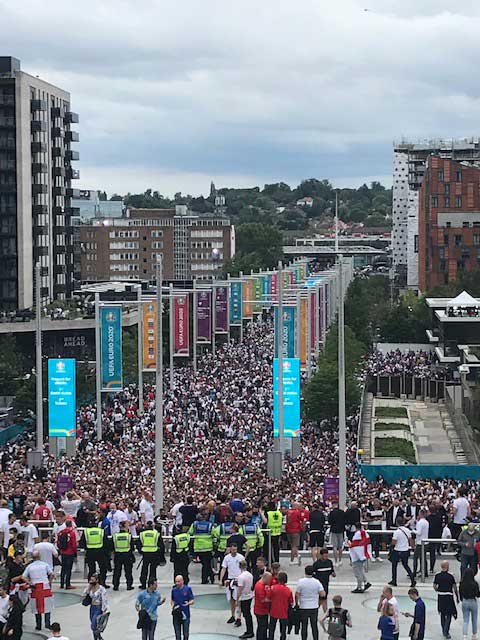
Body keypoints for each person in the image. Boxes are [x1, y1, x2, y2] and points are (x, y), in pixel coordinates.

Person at [21, 550, 54, 631]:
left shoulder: (30, 567)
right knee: (47, 605)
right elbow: (52, 574)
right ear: (39, 556)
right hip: (45, 586)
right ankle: (47, 623)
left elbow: (23, 577)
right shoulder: (45, 565)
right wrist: (49, 582)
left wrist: (29, 582)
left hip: (35, 587)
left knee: (36, 606)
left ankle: (38, 624)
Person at [295, 565, 325, 640]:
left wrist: (297, 603)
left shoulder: (301, 581)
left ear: (305, 572)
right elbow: (323, 594)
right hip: (314, 606)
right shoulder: (317, 582)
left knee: (304, 626)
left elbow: (297, 594)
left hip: (303, 606)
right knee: (314, 625)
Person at [220, 543, 245, 627]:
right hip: (230, 579)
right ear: (230, 549)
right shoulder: (227, 558)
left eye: (236, 549)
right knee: (231, 599)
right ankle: (233, 615)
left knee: (238, 600)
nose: (234, 551)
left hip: (239, 579)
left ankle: (239, 618)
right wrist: (221, 580)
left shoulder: (241, 557)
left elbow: (244, 568)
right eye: (233, 549)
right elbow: (223, 569)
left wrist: (242, 578)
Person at [433, 560, 458, 639]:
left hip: (441, 596)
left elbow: (434, 585)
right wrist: (457, 596)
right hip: (449, 596)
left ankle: (444, 629)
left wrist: (437, 590)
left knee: (442, 614)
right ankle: (446, 630)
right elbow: (454, 587)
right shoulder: (451, 576)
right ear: (447, 566)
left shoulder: (438, 575)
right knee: (449, 614)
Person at [188, 514, 215, 585]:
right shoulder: (209, 525)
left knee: (205, 564)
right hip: (207, 547)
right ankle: (206, 578)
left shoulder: (194, 524)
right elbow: (214, 534)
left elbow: (190, 533)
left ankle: (210, 577)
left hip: (198, 548)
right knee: (206, 564)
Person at [389, 516, 415, 587]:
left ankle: (394, 580)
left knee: (394, 565)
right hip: (405, 550)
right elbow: (410, 540)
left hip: (397, 550)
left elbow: (394, 542)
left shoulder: (397, 532)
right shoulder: (407, 530)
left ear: (397, 523)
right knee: (405, 565)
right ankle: (412, 579)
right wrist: (413, 547)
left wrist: (390, 546)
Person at [82, 522, 108, 587]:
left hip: (90, 552)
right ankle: (102, 583)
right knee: (102, 569)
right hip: (100, 552)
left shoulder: (86, 531)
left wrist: (87, 548)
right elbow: (106, 542)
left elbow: (82, 542)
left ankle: (92, 583)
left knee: (91, 569)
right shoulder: (101, 531)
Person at [138, 522, 163, 590]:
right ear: (152, 526)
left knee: (144, 569)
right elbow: (161, 545)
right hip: (154, 553)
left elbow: (139, 544)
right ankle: (152, 584)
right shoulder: (156, 534)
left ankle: (143, 584)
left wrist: (141, 552)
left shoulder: (142, 534)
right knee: (153, 570)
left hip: (145, 553)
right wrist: (159, 554)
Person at [268, 571, 293, 640]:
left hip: (274, 611)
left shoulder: (273, 588)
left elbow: (269, 597)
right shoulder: (288, 590)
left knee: (271, 628)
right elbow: (291, 602)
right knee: (283, 629)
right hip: (284, 612)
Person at [348, 523, 372, 594]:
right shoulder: (366, 533)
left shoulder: (356, 534)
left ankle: (359, 587)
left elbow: (354, 545)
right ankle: (366, 582)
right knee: (360, 570)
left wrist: (349, 544)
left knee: (357, 572)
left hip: (357, 556)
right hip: (363, 555)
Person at [83, 573, 108, 640]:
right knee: (94, 624)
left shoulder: (102, 589)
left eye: (92, 580)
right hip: (92, 608)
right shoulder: (90, 587)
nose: (90, 581)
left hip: (98, 608)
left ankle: (96, 638)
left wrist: (104, 611)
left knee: (93, 625)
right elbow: (84, 594)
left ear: (97, 580)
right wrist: (89, 587)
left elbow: (104, 600)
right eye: (90, 580)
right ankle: (99, 637)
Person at [112, 520, 135, 591]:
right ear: (125, 527)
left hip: (118, 555)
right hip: (127, 555)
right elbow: (132, 547)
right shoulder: (128, 536)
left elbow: (112, 547)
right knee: (128, 571)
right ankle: (129, 585)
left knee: (117, 571)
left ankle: (115, 586)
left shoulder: (115, 536)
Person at [171, 574, 194, 640]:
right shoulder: (174, 590)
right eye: (176, 581)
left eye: (178, 581)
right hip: (176, 614)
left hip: (185, 615)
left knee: (186, 634)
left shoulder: (188, 589)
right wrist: (173, 605)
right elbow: (172, 600)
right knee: (177, 635)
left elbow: (192, 600)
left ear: (182, 581)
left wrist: (188, 603)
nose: (177, 583)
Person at [459, 567, 480, 640]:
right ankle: (474, 635)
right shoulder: (475, 583)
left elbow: (460, 593)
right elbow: (478, 594)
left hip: (465, 601)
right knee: (474, 619)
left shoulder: (461, 583)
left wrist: (462, 599)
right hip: (473, 602)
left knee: (465, 619)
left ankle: (464, 636)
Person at [312, 548, 335, 612]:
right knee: (322, 599)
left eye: (327, 556)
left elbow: (332, 571)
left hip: (326, 584)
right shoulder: (316, 564)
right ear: (321, 555)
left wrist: (333, 574)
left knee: (324, 598)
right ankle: (320, 611)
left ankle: (323, 612)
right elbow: (313, 574)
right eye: (324, 556)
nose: (326, 557)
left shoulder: (329, 562)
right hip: (318, 584)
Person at [58, 520, 78, 590]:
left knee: (63, 568)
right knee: (69, 569)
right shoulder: (72, 533)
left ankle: (61, 584)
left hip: (63, 552)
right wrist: (75, 552)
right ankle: (68, 584)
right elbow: (74, 545)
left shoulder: (61, 532)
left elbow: (58, 542)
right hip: (70, 553)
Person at [237, 560, 254, 639]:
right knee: (248, 614)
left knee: (246, 615)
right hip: (249, 595)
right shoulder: (250, 575)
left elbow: (240, 589)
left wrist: (237, 599)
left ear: (239, 566)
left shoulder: (241, 577)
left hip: (244, 597)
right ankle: (249, 630)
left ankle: (250, 631)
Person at [254, 572, 272, 640]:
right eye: (269, 579)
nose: (269, 581)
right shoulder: (259, 586)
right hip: (260, 610)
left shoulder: (263, 585)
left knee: (264, 626)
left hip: (264, 610)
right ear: (265, 578)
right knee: (261, 626)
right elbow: (263, 600)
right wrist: (272, 600)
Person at [328, 502, 346, 567]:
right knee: (340, 546)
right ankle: (340, 560)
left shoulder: (331, 513)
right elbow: (345, 520)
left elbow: (329, 521)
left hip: (334, 530)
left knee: (335, 546)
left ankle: (336, 561)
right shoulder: (342, 512)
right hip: (341, 530)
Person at [412, 510, 429, 579]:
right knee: (423, 558)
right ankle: (425, 572)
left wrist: (413, 530)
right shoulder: (426, 522)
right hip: (426, 542)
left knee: (415, 558)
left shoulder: (420, 523)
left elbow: (418, 532)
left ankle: (414, 572)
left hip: (420, 542)